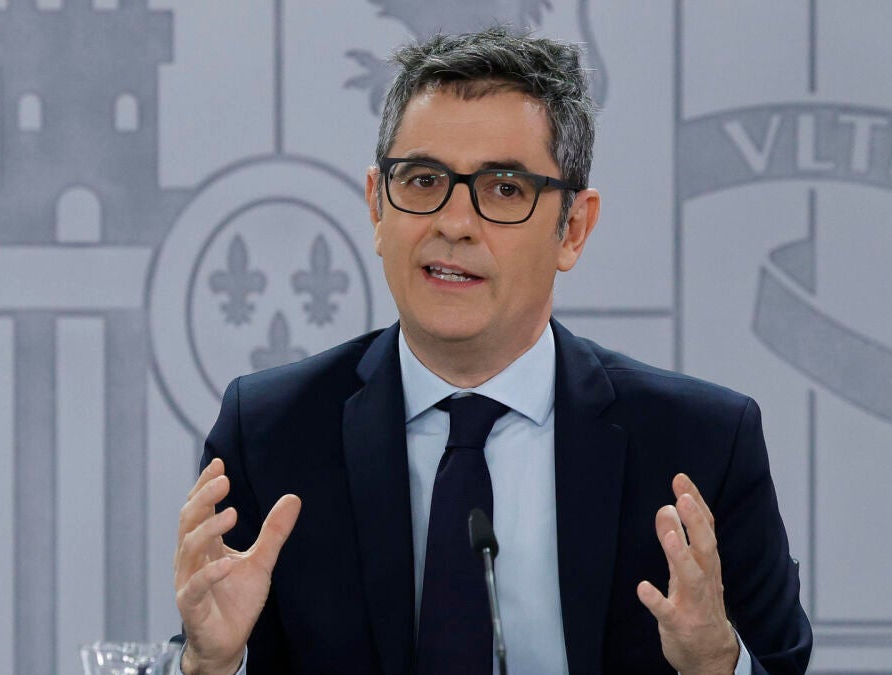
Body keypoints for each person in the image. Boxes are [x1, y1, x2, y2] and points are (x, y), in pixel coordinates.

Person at [173, 28, 811, 675]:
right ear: (376, 207)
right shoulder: (272, 432)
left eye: (505, 188)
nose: (454, 223)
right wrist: (210, 663)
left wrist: (716, 662)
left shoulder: (700, 445)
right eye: (423, 180)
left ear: (574, 228)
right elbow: (213, 644)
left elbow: (779, 662)